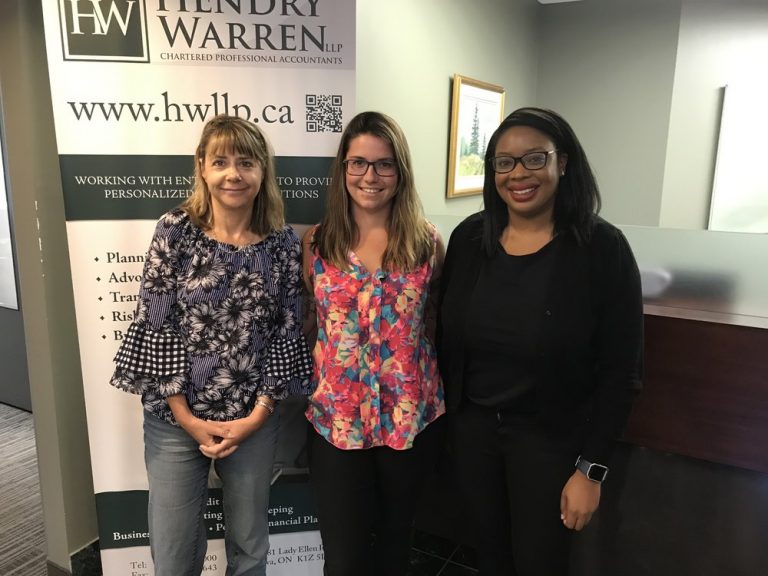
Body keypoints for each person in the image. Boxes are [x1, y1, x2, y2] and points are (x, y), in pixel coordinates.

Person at [438, 107, 643, 576]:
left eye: (534, 159)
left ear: (562, 163)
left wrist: (591, 469)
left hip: (551, 443)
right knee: (488, 558)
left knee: (540, 563)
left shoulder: (601, 250)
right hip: (474, 436)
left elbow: (622, 372)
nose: (518, 174)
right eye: (504, 163)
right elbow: (447, 339)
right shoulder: (470, 239)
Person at [109, 115, 313, 576]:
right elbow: (155, 326)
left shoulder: (282, 242)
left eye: (246, 162)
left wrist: (255, 417)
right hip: (174, 423)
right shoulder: (174, 231)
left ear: (263, 171)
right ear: (201, 166)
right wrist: (187, 418)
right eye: (220, 161)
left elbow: (284, 335)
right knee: (175, 553)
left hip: (252, 421)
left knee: (250, 548)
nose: (233, 174)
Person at [303, 111, 446, 576]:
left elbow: (434, 319)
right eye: (358, 163)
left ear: (400, 172)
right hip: (337, 423)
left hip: (407, 422)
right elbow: (312, 322)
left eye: (384, 165)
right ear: (343, 169)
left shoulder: (426, 244)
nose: (370, 176)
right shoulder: (318, 244)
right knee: (343, 560)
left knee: (394, 548)